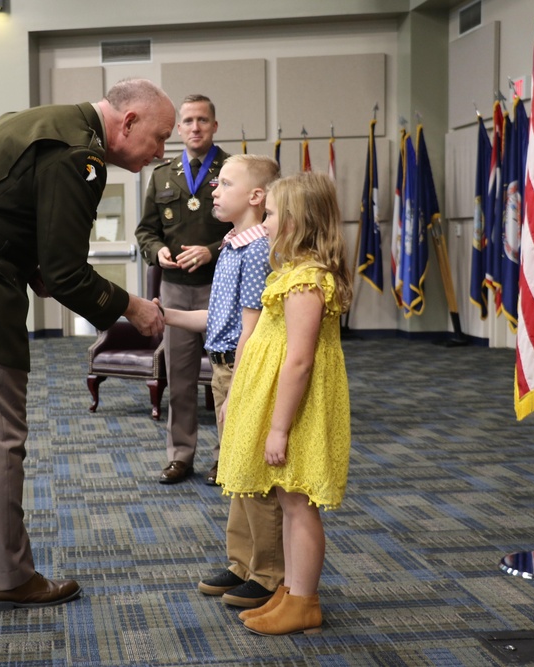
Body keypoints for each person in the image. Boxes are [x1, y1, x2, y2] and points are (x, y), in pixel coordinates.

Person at [0, 78, 174, 612]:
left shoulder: (40, 119)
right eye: (159, 138)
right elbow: (65, 273)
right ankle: (5, 576)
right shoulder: (79, 156)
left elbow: (14, 216)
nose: (160, 153)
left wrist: (43, 270)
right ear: (128, 122)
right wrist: (131, 308)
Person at [217, 171, 353, 635]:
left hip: (298, 409)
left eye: (272, 214)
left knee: (299, 504)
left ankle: (305, 600)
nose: (266, 222)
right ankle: (290, 592)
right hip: (285, 405)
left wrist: (278, 428)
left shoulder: (307, 281)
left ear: (295, 221)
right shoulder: (291, 274)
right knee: (289, 499)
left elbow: (299, 360)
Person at [159, 155, 285, 610]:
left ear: (256, 197)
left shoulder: (256, 251)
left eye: (225, 183)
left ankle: (268, 574)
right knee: (234, 471)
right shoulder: (233, 244)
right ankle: (241, 563)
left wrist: (242, 391)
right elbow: (220, 317)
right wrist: (162, 314)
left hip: (242, 370)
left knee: (253, 475)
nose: (214, 189)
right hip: (224, 369)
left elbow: (252, 329)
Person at [136, 94, 233, 485]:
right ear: (179, 129)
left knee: (228, 377)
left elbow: (251, 227)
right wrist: (156, 251)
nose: (195, 127)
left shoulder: (233, 170)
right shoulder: (163, 174)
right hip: (175, 291)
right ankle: (180, 456)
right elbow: (146, 230)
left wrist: (210, 252)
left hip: (222, 288)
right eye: (189, 121)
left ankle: (227, 457)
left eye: (203, 120)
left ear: (214, 126)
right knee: (179, 380)